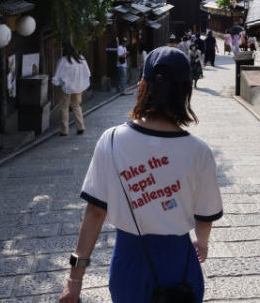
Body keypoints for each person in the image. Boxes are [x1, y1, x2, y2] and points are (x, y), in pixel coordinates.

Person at [59, 47, 223, 303]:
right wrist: (202, 243)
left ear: (143, 86)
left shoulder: (111, 141)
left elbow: (94, 213)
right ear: (185, 92)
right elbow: (205, 217)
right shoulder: (199, 151)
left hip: (130, 261)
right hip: (180, 263)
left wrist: (74, 280)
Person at [52, 42, 92, 134]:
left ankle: (64, 130)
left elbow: (58, 75)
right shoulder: (81, 59)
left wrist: (56, 82)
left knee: (64, 107)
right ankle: (80, 127)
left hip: (67, 87)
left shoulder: (63, 60)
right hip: (78, 87)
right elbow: (87, 72)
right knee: (76, 106)